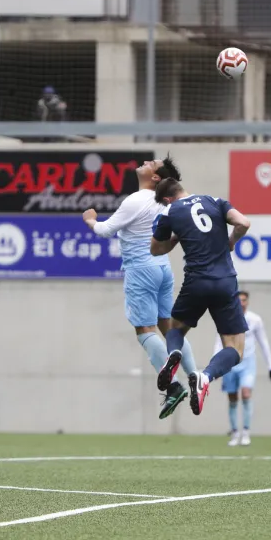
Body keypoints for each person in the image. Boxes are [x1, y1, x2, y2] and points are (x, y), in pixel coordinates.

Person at [83, 157, 198, 419]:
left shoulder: (136, 199)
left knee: (144, 330)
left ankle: (173, 387)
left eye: (152, 163)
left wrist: (90, 219)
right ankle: (195, 376)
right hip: (163, 268)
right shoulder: (166, 202)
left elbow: (104, 230)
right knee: (169, 327)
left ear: (156, 178)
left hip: (140, 268)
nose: (146, 162)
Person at [150, 178, 252, 415]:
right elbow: (243, 223)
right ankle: (205, 376)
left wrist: (175, 240)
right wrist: (231, 241)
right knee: (235, 349)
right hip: (225, 282)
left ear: (166, 198)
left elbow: (155, 248)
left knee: (174, 330)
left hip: (196, 281)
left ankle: (174, 353)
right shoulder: (214, 201)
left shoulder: (169, 211)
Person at [216, 291, 271, 446]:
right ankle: (235, 432)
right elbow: (219, 341)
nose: (241, 303)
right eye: (239, 300)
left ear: (247, 302)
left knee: (246, 393)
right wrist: (215, 366)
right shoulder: (226, 317)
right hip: (230, 362)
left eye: (244, 300)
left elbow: (263, 342)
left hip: (248, 362)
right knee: (232, 397)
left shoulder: (255, 320)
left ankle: (246, 432)